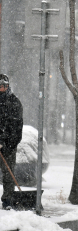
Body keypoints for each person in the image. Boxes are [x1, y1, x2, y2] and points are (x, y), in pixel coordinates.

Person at [0, 74, 23, 209]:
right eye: (0, 86)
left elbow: (16, 127)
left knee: (8, 174)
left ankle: (8, 199)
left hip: (8, 146)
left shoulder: (14, 102)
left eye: (4, 86)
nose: (2, 88)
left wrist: (6, 143)